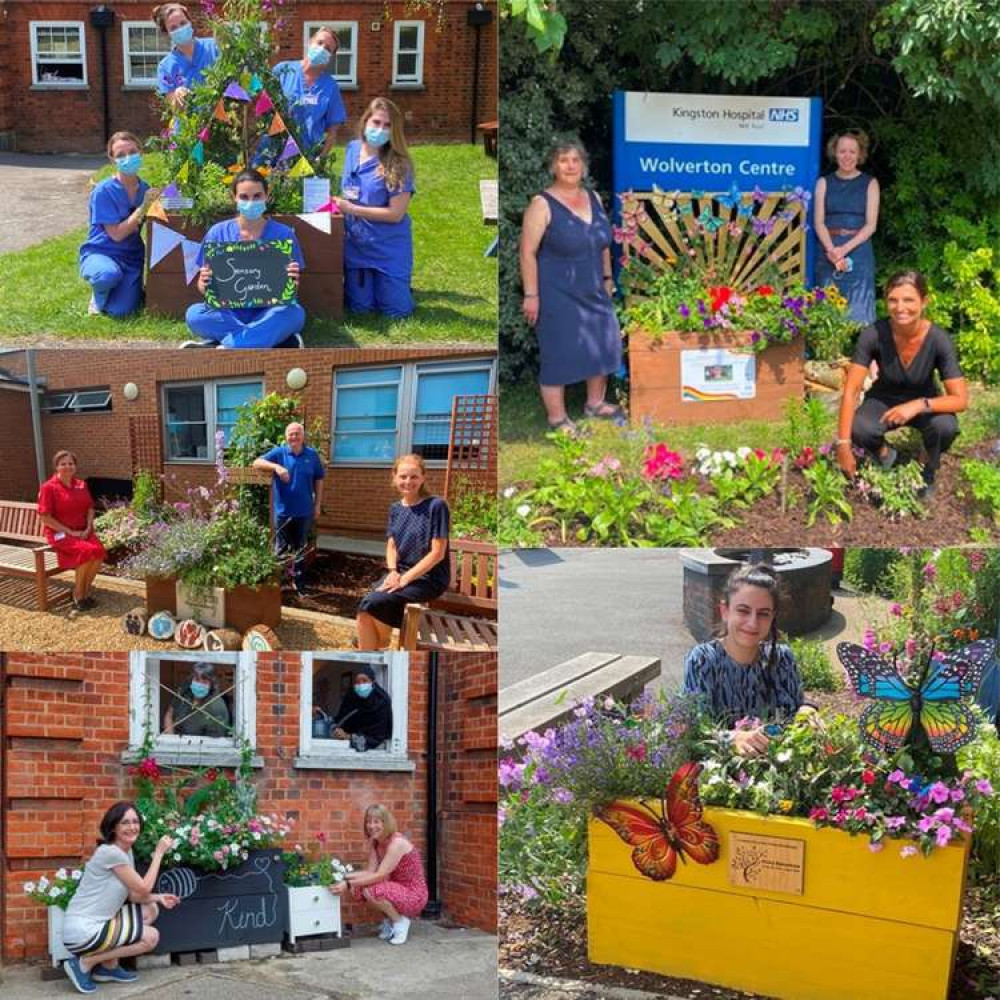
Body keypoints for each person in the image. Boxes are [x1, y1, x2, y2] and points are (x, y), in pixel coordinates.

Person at [519, 139, 624, 434]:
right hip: (556, 292)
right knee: (559, 351)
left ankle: (595, 404)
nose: (570, 166)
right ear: (554, 166)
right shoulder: (542, 204)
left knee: (603, 342)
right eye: (564, 160)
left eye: (575, 160)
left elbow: (603, 243)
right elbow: (527, 251)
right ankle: (557, 418)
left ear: (583, 166)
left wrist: (607, 278)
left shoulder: (594, 198)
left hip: (594, 288)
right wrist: (531, 294)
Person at [836, 270, 967, 499]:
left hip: (924, 401)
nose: (900, 307)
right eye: (893, 300)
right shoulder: (873, 334)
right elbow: (851, 391)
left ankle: (924, 465)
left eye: (908, 300)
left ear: (924, 302)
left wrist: (917, 405)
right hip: (883, 399)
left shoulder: (938, 340)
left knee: (945, 427)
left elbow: (961, 399)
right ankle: (887, 457)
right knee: (860, 428)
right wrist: (844, 445)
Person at [682, 563, 817, 757]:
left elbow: (797, 706)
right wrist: (732, 739)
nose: (753, 623)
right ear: (724, 611)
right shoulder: (703, 660)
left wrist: (807, 709)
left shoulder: (782, 658)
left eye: (763, 614)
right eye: (743, 611)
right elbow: (694, 733)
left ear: (773, 617)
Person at [61, 801, 179, 995]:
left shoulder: (125, 851)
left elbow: (134, 895)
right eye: (125, 822)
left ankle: (108, 967)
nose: (132, 827)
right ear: (113, 827)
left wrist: (158, 897)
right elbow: (142, 888)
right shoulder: (111, 853)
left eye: (135, 821)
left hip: (100, 923)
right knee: (151, 937)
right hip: (82, 930)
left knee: (151, 908)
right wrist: (158, 853)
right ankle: (84, 963)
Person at [183, 169, 306, 349]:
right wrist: (204, 282)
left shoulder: (283, 234)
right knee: (194, 315)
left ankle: (225, 344)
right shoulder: (218, 233)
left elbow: (291, 291)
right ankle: (273, 340)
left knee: (295, 314)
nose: (251, 202)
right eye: (244, 197)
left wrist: (293, 281)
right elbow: (203, 288)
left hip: (269, 311)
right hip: (230, 313)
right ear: (234, 197)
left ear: (267, 196)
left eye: (257, 196)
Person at [356, 454, 450, 650]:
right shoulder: (396, 509)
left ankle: (379, 644)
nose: (408, 482)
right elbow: (392, 545)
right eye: (403, 476)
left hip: (428, 578)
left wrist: (404, 579)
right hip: (400, 573)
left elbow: (437, 553)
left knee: (373, 603)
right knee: (365, 608)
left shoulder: (436, 506)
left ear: (423, 477)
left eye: (414, 476)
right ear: (395, 477)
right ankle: (373, 652)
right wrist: (392, 571)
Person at [333, 98, 416, 318]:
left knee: (396, 311)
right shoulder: (351, 149)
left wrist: (351, 209)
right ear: (365, 121)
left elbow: (396, 214)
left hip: (388, 247)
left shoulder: (400, 164)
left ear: (394, 130)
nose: (380, 129)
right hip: (357, 246)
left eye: (387, 125)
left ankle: (397, 283)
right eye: (376, 122)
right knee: (359, 308)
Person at [79, 131, 160, 318]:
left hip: (130, 258)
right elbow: (116, 234)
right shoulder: (103, 191)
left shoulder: (145, 189)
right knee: (106, 275)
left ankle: (123, 290)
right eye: (121, 155)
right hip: (101, 252)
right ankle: (98, 295)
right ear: (112, 159)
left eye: (132, 152)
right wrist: (143, 207)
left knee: (121, 312)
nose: (128, 158)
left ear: (141, 152)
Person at [330, 804, 428, 946]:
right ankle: (391, 919)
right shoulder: (376, 843)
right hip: (397, 889)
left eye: (377, 822)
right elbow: (370, 872)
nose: (371, 826)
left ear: (386, 823)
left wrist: (348, 883)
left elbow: (380, 875)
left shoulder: (397, 843)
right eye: (369, 821)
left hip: (414, 895)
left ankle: (400, 922)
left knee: (371, 890)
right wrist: (343, 877)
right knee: (358, 889)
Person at [813, 130, 880, 325]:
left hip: (858, 251)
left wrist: (843, 250)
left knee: (859, 314)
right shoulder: (823, 183)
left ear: (860, 155)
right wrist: (832, 251)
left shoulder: (870, 183)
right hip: (828, 250)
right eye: (842, 151)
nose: (847, 156)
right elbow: (818, 222)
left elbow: (871, 225)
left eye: (852, 151)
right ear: (835, 153)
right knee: (827, 310)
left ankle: (861, 353)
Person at [252, 421, 325, 596]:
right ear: (286, 437)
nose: (294, 437)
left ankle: (299, 584)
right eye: (291, 434)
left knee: (300, 549)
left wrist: (317, 505)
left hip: (304, 512)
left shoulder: (312, 455)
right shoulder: (280, 453)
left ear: (303, 436)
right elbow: (257, 462)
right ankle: (275, 584)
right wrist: (276, 467)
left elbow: (319, 480)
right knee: (279, 550)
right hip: (283, 512)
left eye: (297, 433)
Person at [36, 450, 107, 612]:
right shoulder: (48, 488)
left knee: (99, 552)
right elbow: (45, 518)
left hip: (83, 531)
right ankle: (78, 594)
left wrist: (89, 526)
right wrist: (70, 532)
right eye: (63, 464)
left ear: (75, 466)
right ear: (56, 467)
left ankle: (86, 590)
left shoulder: (81, 485)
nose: (67, 466)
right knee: (87, 552)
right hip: (60, 534)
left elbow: (90, 508)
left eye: (70, 463)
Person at [272, 25, 347, 159]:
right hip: (272, 151)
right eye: (319, 43)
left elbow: (333, 131)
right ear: (310, 42)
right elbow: (260, 102)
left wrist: (321, 159)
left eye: (328, 49)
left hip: (307, 158)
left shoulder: (330, 87)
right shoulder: (282, 71)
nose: (322, 49)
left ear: (330, 57)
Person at [154, 3, 219, 107]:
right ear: (167, 33)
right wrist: (176, 95)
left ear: (190, 22)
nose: (180, 29)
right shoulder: (165, 67)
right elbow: (172, 105)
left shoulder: (214, 47)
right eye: (173, 28)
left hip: (219, 120)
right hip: (189, 122)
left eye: (183, 23)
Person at [329, 668, 393, 750]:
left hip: (376, 753)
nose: (361, 685)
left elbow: (377, 737)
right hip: (344, 749)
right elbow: (341, 720)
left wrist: (349, 737)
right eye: (357, 682)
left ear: (373, 682)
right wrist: (336, 731)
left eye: (365, 681)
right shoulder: (352, 698)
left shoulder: (381, 702)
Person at [162, 661, 230, 737]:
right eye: (197, 680)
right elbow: (169, 714)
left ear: (212, 684)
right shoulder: (184, 692)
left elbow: (213, 743)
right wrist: (171, 739)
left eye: (204, 682)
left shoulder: (217, 707)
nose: (200, 684)